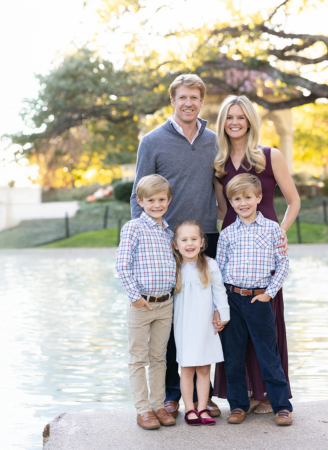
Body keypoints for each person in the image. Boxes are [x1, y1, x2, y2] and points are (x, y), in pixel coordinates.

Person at [129, 74, 222, 419]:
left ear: (201, 101)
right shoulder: (152, 141)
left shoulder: (214, 140)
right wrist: (145, 241)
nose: (188, 103)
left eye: (194, 97)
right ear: (173, 100)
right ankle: (170, 396)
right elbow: (138, 196)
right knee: (171, 320)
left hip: (204, 239)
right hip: (165, 241)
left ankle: (203, 396)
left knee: (203, 316)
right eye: (182, 97)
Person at [212, 95, 300, 414]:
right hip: (235, 253)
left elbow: (293, 201)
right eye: (229, 117)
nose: (235, 122)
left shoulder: (269, 156)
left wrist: (280, 233)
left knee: (266, 329)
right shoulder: (218, 164)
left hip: (264, 255)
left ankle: (266, 395)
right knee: (235, 330)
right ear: (223, 122)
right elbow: (223, 209)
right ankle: (242, 396)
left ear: (250, 120)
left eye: (240, 117)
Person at [217, 174, 293, 426]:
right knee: (233, 356)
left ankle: (281, 406)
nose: (243, 203)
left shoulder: (273, 229)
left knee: (268, 354)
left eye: (248, 197)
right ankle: (238, 405)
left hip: (259, 300)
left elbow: (283, 265)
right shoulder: (227, 234)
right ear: (231, 202)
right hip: (232, 299)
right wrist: (220, 304)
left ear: (259, 197)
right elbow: (219, 270)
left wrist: (268, 294)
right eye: (237, 199)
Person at [115, 174, 178, 430]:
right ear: (140, 201)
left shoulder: (169, 232)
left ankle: (158, 405)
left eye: (161, 200)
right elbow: (122, 265)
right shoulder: (133, 228)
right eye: (150, 200)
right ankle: (143, 410)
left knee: (159, 358)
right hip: (142, 305)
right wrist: (136, 298)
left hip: (165, 304)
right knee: (138, 358)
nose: (156, 205)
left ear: (169, 200)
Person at [170, 219, 231, 426]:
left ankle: (203, 407)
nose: (190, 244)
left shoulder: (210, 264)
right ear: (176, 244)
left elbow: (219, 291)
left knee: (205, 369)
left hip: (205, 325)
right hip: (184, 326)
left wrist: (222, 314)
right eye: (184, 239)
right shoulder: (174, 267)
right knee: (187, 369)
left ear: (202, 242)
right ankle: (189, 409)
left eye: (194, 239)